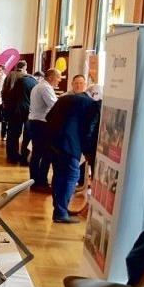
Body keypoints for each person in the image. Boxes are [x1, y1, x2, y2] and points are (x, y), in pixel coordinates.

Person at [45, 81, 101, 224]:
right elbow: (89, 130)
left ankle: (59, 208)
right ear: (94, 94)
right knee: (71, 176)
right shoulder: (91, 104)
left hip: (54, 142)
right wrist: (88, 151)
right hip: (70, 146)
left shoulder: (65, 98)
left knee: (58, 176)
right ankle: (60, 212)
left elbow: (48, 117)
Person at [27, 68, 60, 192]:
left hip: (35, 122)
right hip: (41, 123)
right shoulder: (45, 88)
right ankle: (40, 182)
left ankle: (36, 181)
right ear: (51, 77)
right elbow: (55, 106)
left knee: (37, 153)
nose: (59, 80)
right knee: (45, 154)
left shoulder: (39, 86)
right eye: (58, 77)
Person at [4, 60, 36, 165]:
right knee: (27, 133)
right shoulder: (29, 79)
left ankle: (12, 156)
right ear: (25, 67)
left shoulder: (9, 75)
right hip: (27, 109)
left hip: (12, 108)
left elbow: (5, 91)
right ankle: (24, 157)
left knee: (12, 133)